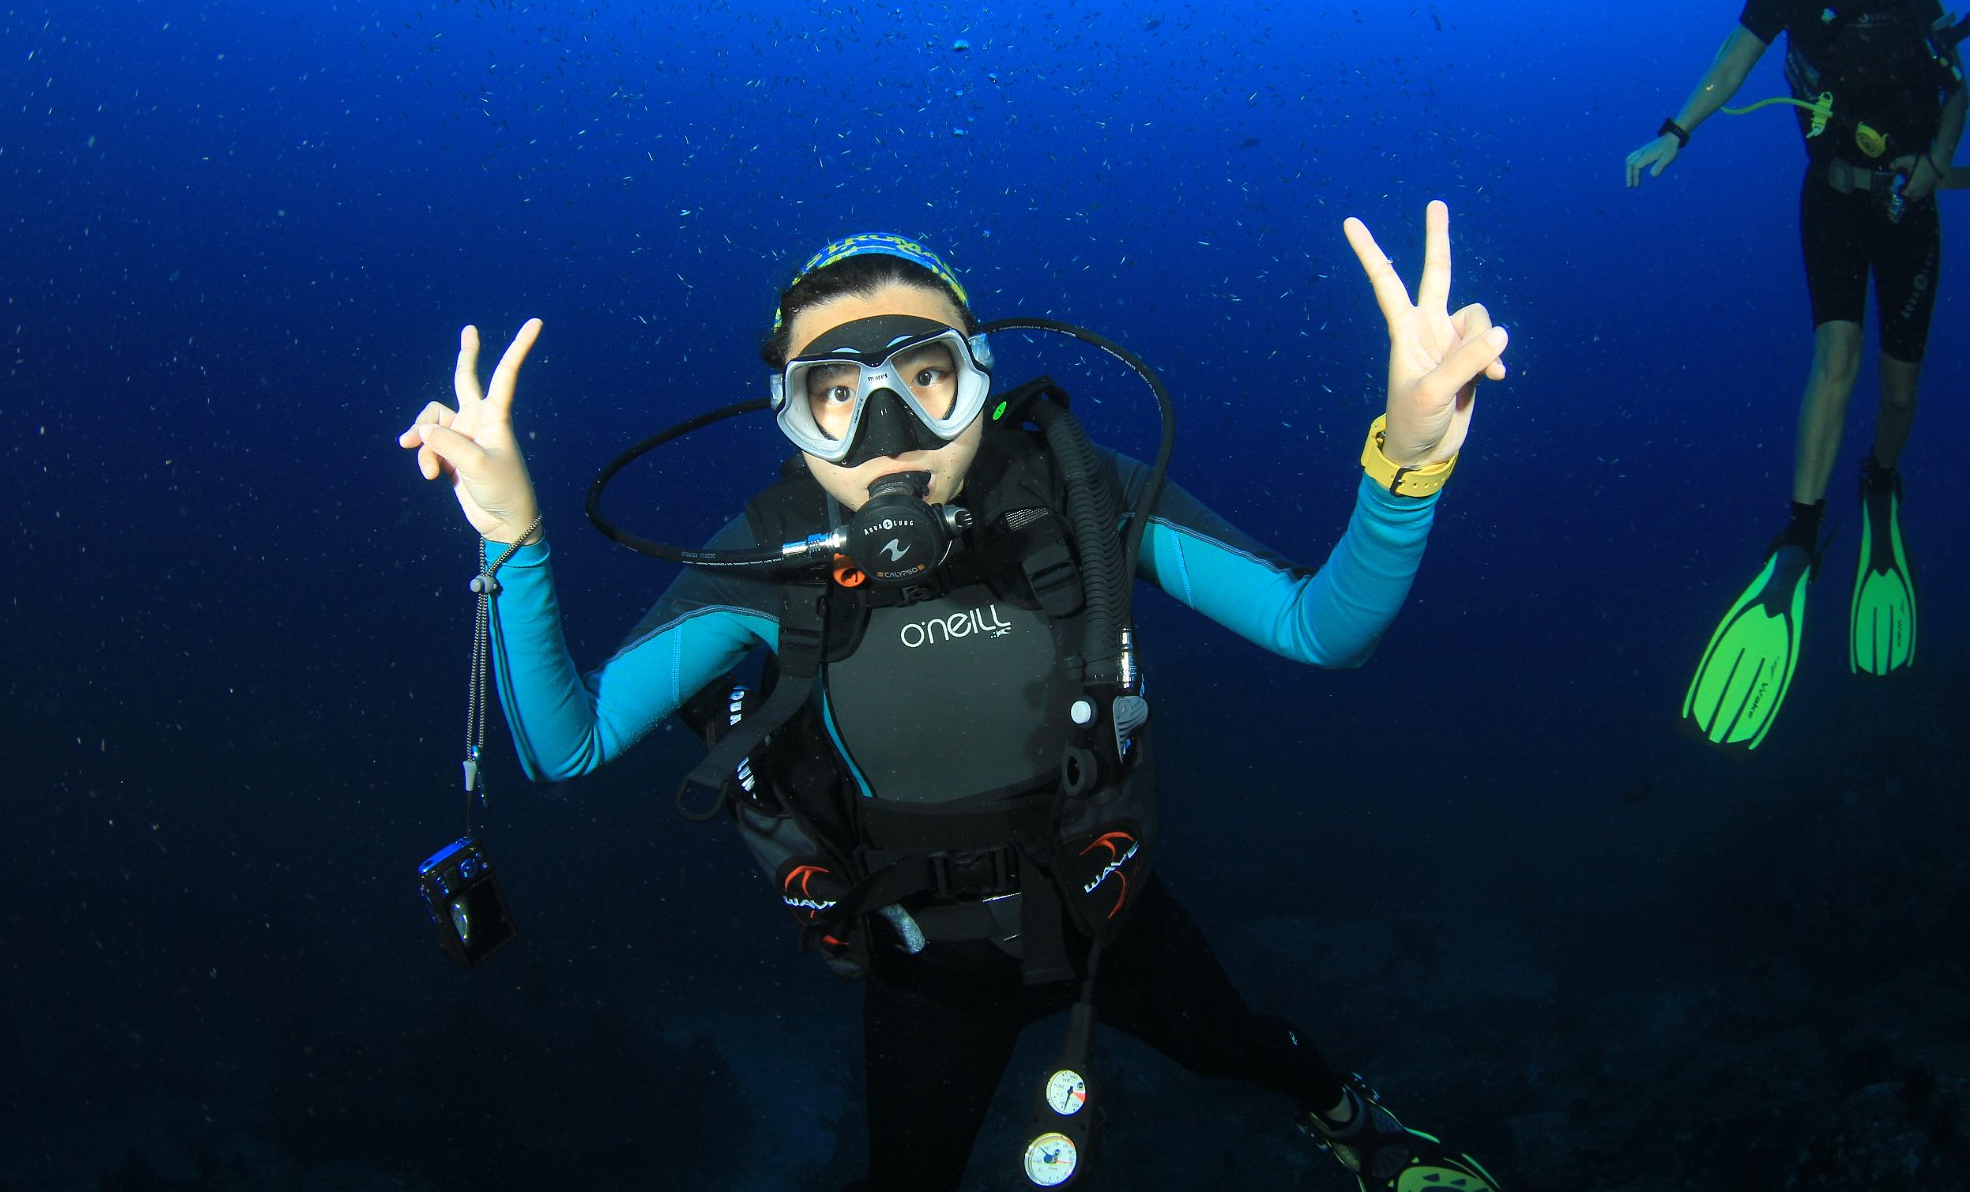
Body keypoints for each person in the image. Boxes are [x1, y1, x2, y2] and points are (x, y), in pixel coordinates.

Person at [400, 210, 1509, 1191]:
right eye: (837, 394)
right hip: (923, 966)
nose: (886, 435)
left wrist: (1407, 464)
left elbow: (1321, 629)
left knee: (1249, 1049)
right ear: (791, 416)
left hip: (1110, 917)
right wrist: (510, 533)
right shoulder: (767, 557)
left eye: (924, 376)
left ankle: (1354, 1122)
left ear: (979, 377)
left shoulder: (1078, 494)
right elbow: (568, 744)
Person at [1625, 0, 1965, 749]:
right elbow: (1733, 60)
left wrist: (1936, 165)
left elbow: (1954, 80)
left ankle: (1879, 485)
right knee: (1837, 356)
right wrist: (1675, 131)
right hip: (1834, 199)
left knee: (1899, 390)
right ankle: (1801, 537)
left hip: (1912, 201)